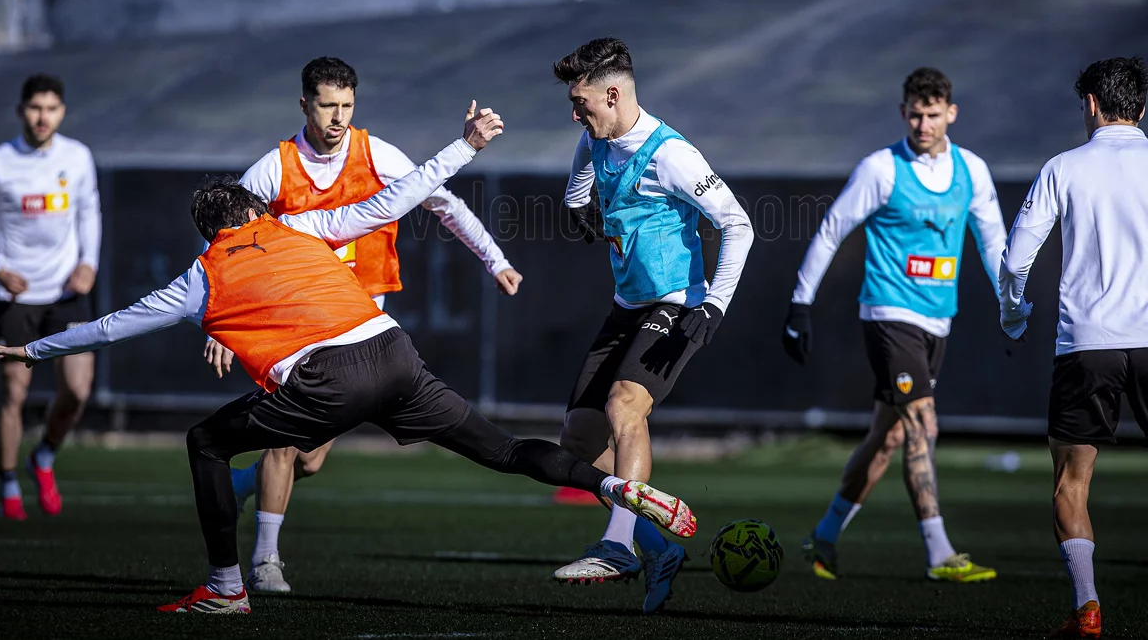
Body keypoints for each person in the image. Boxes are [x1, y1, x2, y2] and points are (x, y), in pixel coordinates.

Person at [0, 102, 697, 614]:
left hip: (327, 379)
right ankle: (616, 489)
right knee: (504, 450)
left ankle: (228, 585)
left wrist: (33, 347)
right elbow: (401, 198)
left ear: (210, 231)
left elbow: (112, 326)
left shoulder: (201, 275)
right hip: (392, 352)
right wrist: (465, 145)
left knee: (206, 441)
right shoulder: (302, 226)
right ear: (252, 213)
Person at [209, 57, 524, 593]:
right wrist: (220, 323)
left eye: (347, 105)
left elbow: (443, 202)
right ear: (304, 104)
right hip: (295, 321)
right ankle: (264, 561)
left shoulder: (376, 155)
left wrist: (496, 260)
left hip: (361, 324)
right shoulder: (273, 169)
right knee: (282, 442)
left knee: (310, 460)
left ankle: (244, 484)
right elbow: (227, 242)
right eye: (327, 105)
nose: (338, 117)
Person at [551, 38, 754, 614]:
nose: (576, 115)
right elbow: (582, 164)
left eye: (582, 103)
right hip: (626, 307)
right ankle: (659, 549)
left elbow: (739, 225)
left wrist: (715, 305)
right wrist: (576, 202)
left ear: (614, 94)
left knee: (624, 407)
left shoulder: (672, 155)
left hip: (677, 304)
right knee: (579, 443)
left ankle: (618, 546)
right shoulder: (596, 137)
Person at [782, 67, 1004, 583]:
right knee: (923, 423)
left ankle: (824, 537)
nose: (923, 124)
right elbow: (832, 230)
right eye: (915, 114)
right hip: (888, 314)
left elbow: (994, 242)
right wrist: (800, 303)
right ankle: (939, 553)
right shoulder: (880, 169)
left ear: (951, 113)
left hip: (938, 321)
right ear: (903, 112)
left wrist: (1010, 305)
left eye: (933, 114)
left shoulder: (972, 170)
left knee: (887, 438)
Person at [999, 56, 1148, 640]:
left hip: (1087, 345)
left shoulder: (1063, 167)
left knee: (1071, 483)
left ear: (1089, 104)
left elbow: (1017, 259)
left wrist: (1013, 314)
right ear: (1142, 107)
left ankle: (1087, 607)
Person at [0, 73, 101, 521]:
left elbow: (89, 213)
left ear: (62, 112)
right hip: (16, 297)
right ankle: (8, 483)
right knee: (13, 393)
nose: (43, 117)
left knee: (77, 390)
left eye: (51, 108)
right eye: (36, 108)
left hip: (67, 293)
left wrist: (88, 263)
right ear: (21, 111)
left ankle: (43, 456)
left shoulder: (77, 157)